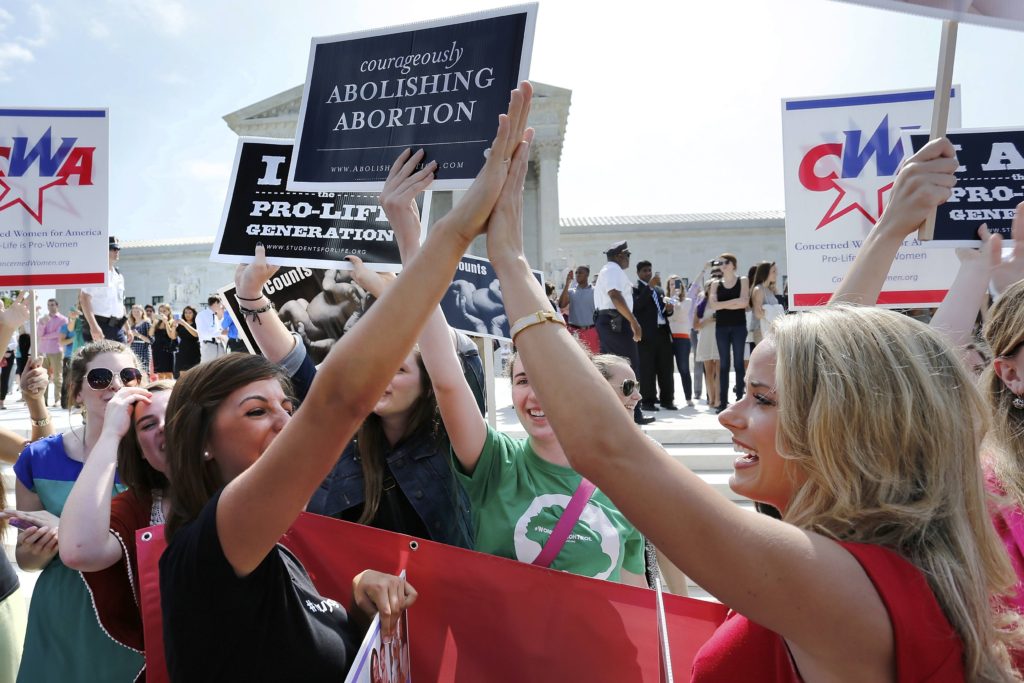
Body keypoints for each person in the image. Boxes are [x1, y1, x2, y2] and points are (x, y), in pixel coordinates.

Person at [483, 135, 1022, 681]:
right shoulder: (862, 569)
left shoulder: (839, 586)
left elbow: (608, 448)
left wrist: (508, 258)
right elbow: (825, 369)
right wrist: (890, 230)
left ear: (845, 431)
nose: (727, 416)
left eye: (761, 398)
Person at [158, 81, 533, 681]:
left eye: (286, 407)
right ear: (201, 439)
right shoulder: (214, 543)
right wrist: (449, 233)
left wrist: (356, 598)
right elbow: (332, 398)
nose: (287, 419)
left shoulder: (275, 552)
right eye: (257, 411)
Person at [13, 340, 146, 682]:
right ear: (75, 393)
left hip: (132, 610)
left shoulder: (157, 458)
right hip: (61, 615)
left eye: (128, 375)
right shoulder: (38, 459)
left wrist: (68, 529)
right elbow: (27, 562)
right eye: (101, 377)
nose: (117, 385)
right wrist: (36, 549)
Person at [53, 379, 173, 677]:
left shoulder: (248, 480)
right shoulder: (139, 506)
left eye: (176, 415)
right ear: (141, 452)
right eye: (147, 425)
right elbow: (80, 551)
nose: (163, 427)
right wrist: (110, 434)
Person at [594, 241, 651, 425]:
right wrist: (633, 321)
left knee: (616, 367)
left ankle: (621, 410)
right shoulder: (612, 270)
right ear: (620, 255)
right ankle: (633, 412)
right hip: (615, 323)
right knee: (626, 367)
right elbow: (614, 295)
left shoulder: (610, 270)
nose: (628, 258)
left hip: (612, 322)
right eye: (628, 254)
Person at [633, 260, 675, 411]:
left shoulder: (659, 290)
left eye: (649, 270)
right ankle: (648, 401)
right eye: (644, 271)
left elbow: (662, 312)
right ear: (638, 273)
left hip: (662, 332)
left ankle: (667, 400)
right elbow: (637, 307)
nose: (648, 273)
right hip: (646, 335)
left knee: (666, 367)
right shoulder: (635, 289)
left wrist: (669, 310)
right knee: (647, 369)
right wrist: (649, 287)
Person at [709, 253, 749, 413]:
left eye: (726, 262)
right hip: (722, 328)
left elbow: (745, 303)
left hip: (739, 326)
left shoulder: (743, 280)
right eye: (720, 262)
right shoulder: (715, 284)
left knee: (739, 364)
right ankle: (723, 403)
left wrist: (722, 304)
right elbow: (713, 306)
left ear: (733, 264)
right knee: (724, 365)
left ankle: (740, 401)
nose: (722, 264)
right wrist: (734, 302)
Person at [80, 236, 128, 343]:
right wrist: (93, 326)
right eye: (113, 249)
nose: (117, 251)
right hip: (100, 326)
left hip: (117, 328)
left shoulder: (119, 276)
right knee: (100, 359)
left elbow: (120, 303)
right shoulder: (95, 272)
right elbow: (84, 299)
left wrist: (127, 328)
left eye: (118, 249)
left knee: (122, 359)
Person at [665, 274, 697, 407]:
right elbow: (668, 315)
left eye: (676, 283)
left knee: (684, 368)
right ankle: (669, 398)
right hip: (669, 337)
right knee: (667, 369)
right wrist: (671, 297)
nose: (674, 286)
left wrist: (674, 297)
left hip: (683, 338)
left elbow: (681, 310)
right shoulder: (666, 299)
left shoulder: (687, 301)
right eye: (671, 284)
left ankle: (688, 397)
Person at [558, 265, 598, 353]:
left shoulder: (595, 291)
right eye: (576, 273)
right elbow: (561, 305)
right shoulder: (571, 291)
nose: (577, 275)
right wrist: (567, 283)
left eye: (580, 272)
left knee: (593, 358)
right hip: (574, 332)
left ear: (587, 275)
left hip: (591, 331)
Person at [694, 279, 720, 409]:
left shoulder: (721, 302)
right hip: (705, 338)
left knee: (719, 371)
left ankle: (718, 400)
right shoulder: (701, 304)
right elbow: (695, 325)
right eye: (710, 286)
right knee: (709, 372)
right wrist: (708, 320)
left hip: (719, 338)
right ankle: (711, 399)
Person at [37, 298, 68, 407]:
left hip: (56, 350)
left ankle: (57, 399)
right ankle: (43, 400)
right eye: (49, 305)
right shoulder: (43, 319)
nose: (51, 307)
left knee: (57, 376)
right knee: (43, 376)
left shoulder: (63, 319)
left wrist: (45, 336)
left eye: (53, 305)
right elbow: (39, 334)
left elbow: (58, 334)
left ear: (57, 306)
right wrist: (42, 324)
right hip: (43, 351)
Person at [751, 261, 785, 340]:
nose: (776, 273)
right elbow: (758, 314)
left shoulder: (770, 289)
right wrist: (774, 313)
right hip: (761, 332)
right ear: (765, 273)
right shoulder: (759, 289)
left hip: (771, 331)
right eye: (773, 271)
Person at [195, 295, 226, 364]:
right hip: (209, 345)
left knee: (220, 369)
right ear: (215, 303)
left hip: (219, 345)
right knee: (207, 370)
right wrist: (220, 333)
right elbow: (203, 333)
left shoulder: (215, 315)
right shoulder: (202, 315)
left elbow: (218, 329)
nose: (221, 305)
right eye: (220, 303)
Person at [151, 303, 178, 379]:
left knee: (169, 374)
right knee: (160, 374)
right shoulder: (157, 322)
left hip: (168, 350)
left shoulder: (172, 321)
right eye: (160, 311)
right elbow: (150, 334)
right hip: (158, 350)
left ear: (169, 311)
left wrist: (166, 323)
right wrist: (154, 322)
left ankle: (170, 390)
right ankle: (161, 390)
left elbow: (172, 336)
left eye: (164, 311)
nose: (162, 313)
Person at [173, 305, 200, 376]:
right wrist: (173, 326)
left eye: (190, 312)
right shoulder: (180, 325)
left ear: (194, 314)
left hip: (194, 350)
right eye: (186, 312)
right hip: (182, 350)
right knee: (182, 374)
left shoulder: (197, 323)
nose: (187, 314)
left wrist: (185, 324)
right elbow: (173, 337)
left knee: (193, 374)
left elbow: (196, 334)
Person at [128, 304, 153, 378]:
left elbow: (151, 340)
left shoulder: (146, 323)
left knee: (144, 373)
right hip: (133, 350)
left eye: (138, 311)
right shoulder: (132, 325)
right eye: (134, 311)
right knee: (134, 372)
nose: (135, 313)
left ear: (142, 312)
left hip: (144, 350)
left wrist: (137, 335)